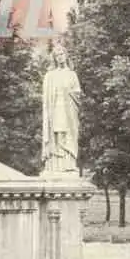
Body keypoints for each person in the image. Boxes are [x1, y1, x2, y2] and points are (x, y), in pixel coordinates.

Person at [42, 45, 81, 175]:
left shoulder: (72, 74)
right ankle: (55, 164)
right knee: (56, 132)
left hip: (68, 109)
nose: (60, 57)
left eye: (62, 54)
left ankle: (68, 163)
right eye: (57, 55)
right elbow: (46, 96)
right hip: (55, 109)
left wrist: (71, 93)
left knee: (67, 134)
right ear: (54, 58)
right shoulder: (50, 75)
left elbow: (78, 94)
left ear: (66, 55)